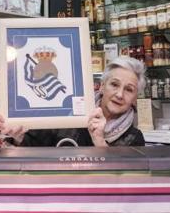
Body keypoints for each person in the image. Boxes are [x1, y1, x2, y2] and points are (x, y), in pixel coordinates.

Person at [17, 57, 145, 147]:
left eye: (129, 89)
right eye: (114, 84)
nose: (119, 94)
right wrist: (17, 135)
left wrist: (99, 140)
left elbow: (122, 179)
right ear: (101, 87)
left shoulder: (134, 139)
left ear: (135, 98)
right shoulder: (70, 114)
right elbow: (34, 144)